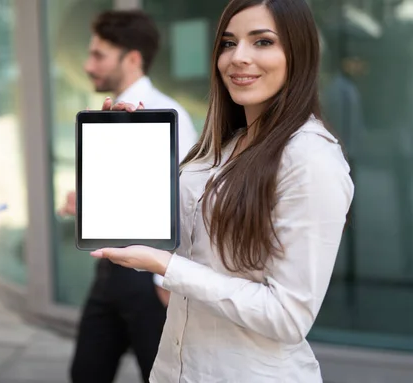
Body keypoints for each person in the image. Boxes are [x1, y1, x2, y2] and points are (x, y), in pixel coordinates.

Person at [88, 0, 354, 382]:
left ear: (298, 53)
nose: (238, 57)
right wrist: (130, 156)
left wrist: (167, 268)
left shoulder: (310, 158)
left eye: (262, 42)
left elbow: (288, 316)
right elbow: (179, 233)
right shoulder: (223, 145)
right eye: (228, 44)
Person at [61, 10, 198, 383]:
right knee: (86, 372)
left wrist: (164, 283)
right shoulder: (111, 114)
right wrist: (89, 204)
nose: (89, 65)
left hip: (149, 278)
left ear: (132, 58)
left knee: (157, 376)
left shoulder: (169, 115)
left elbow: (186, 206)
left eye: (99, 55)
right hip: (110, 269)